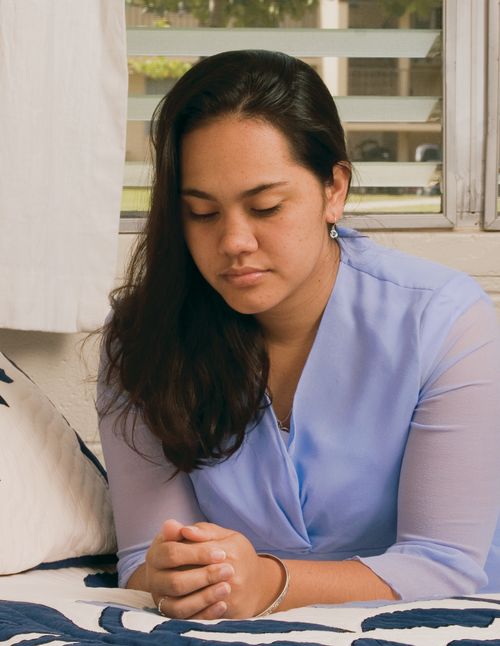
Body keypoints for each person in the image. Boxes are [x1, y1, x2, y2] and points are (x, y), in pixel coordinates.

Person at [97, 49, 500, 621]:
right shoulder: (140, 339)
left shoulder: (442, 318)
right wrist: (175, 574)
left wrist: (271, 582)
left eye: (265, 207)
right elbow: (145, 552)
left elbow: (444, 562)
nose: (234, 241)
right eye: (202, 213)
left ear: (334, 189)